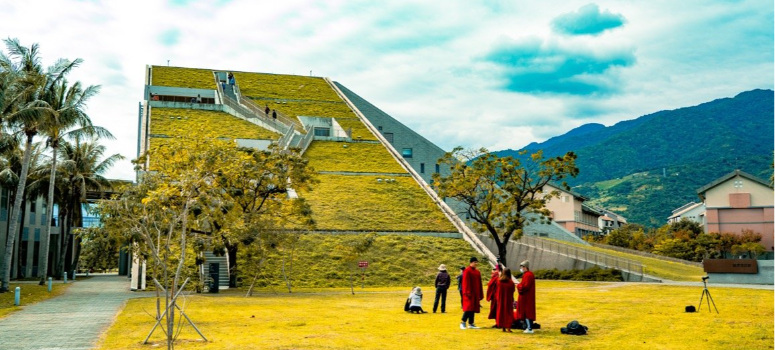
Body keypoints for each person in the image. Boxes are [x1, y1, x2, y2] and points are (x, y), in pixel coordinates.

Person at [460, 257, 483, 330]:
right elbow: (465, 283)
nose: (476, 263)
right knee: (468, 308)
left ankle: (471, 323)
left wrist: (480, 293)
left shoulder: (477, 272)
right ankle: (463, 322)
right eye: (474, 262)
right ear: (471, 262)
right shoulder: (467, 271)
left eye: (476, 262)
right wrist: (467, 292)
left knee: (473, 308)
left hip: (475, 293)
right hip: (469, 293)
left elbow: (480, 283)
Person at [516, 260, 536, 334]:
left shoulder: (528, 275)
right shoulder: (528, 274)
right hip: (527, 296)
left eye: (522, 267)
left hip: (527, 297)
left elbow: (525, 286)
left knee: (527, 311)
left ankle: (529, 328)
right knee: (528, 311)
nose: (521, 268)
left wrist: (518, 285)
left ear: (525, 267)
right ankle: (528, 327)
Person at [496, 268, 515, 332]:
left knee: (501, 312)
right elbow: (513, 290)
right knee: (508, 313)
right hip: (508, 299)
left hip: (501, 299)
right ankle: (508, 328)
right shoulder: (511, 282)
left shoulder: (499, 281)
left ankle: (503, 327)